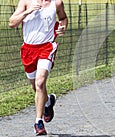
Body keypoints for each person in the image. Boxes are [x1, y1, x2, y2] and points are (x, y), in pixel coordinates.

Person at [9, 0, 67, 135]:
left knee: (40, 82)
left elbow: (63, 18)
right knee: (35, 87)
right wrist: (27, 12)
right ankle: (48, 101)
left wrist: (63, 27)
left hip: (47, 47)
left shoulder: (57, 3)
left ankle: (38, 121)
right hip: (28, 50)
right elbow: (12, 23)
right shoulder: (25, 2)